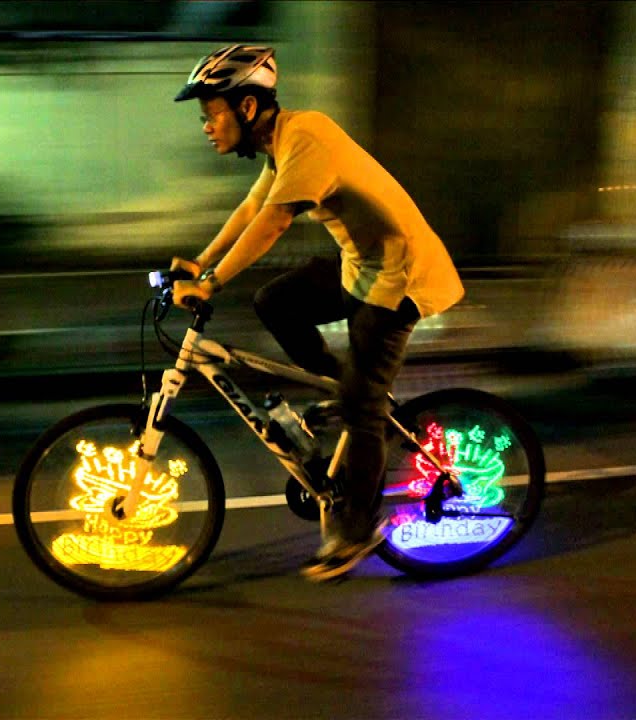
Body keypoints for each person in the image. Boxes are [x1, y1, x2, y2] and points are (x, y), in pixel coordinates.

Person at [168, 44, 465, 581]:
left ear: (248, 108)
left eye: (211, 113)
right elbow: (252, 208)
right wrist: (202, 261)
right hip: (361, 265)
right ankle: (343, 388)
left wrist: (210, 284)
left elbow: (275, 221)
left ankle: (354, 533)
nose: (207, 126)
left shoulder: (307, 135)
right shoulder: (279, 145)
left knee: (363, 408)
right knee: (275, 301)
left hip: (400, 277)